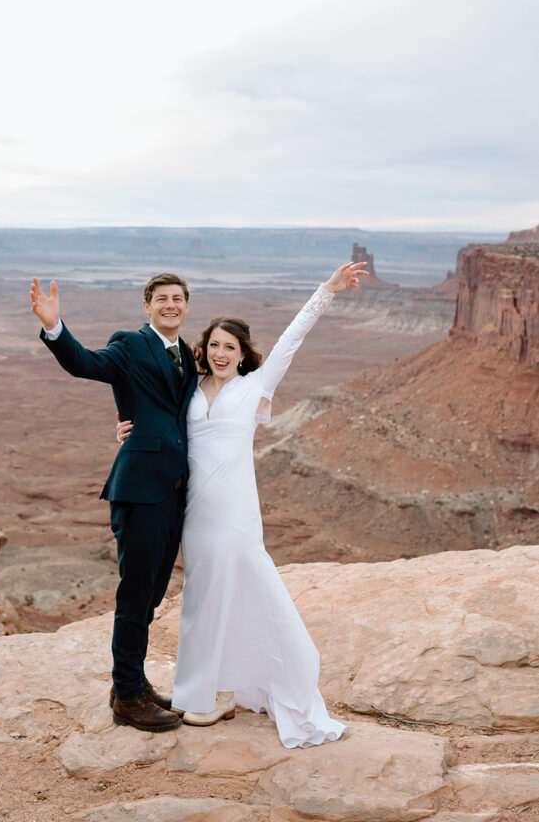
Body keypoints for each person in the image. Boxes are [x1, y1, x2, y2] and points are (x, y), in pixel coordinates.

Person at [116, 261, 367, 748]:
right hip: (195, 513)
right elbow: (150, 405)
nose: (221, 353)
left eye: (230, 347)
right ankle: (209, 690)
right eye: (213, 346)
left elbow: (294, 337)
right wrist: (125, 426)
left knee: (238, 590)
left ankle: (225, 688)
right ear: (203, 350)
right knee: (201, 599)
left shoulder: (256, 387)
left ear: (243, 354)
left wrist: (328, 290)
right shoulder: (188, 386)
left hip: (234, 513)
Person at [30, 272, 198, 733]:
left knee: (152, 595)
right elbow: (85, 363)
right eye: (161, 299)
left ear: (187, 305)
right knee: (134, 595)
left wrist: (133, 422)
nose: (170, 305)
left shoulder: (188, 355)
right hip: (139, 490)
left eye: (177, 299)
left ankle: (133, 682)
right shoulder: (130, 344)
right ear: (147, 306)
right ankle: (126, 697)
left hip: (173, 494)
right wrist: (55, 328)